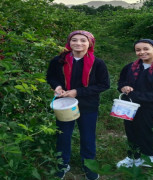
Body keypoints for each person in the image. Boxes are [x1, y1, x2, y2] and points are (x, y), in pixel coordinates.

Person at [46, 30, 110, 180]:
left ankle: (88, 166)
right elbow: (51, 77)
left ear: (90, 43)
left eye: (83, 40)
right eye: (74, 40)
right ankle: (62, 164)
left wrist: (77, 92)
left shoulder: (97, 63)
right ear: (69, 43)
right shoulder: (59, 60)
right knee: (63, 135)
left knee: (87, 136)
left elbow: (104, 84)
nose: (78, 43)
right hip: (64, 104)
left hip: (88, 105)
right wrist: (57, 87)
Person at [116, 39, 153, 168]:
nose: (142, 52)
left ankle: (147, 157)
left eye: (146, 49)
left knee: (145, 130)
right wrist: (124, 87)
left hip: (149, 107)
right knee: (130, 130)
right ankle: (132, 156)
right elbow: (121, 82)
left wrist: (140, 96)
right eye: (138, 50)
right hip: (129, 106)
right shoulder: (130, 67)